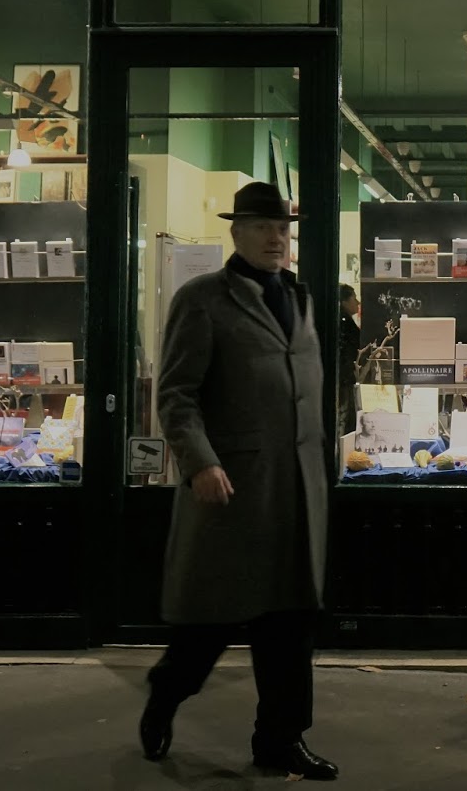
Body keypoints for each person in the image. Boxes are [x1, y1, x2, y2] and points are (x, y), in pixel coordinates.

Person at [139, 182, 338, 782]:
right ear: (237, 232)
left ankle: (280, 740)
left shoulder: (299, 300)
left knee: (290, 624)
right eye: (261, 227)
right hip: (233, 489)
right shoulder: (203, 299)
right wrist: (199, 462)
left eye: (282, 228)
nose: (275, 238)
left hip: (298, 490)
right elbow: (176, 394)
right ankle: (166, 693)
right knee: (212, 623)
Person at [337, 284, 360, 438]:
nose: (357, 302)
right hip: (344, 378)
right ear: (344, 301)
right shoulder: (343, 323)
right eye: (354, 298)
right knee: (342, 415)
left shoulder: (343, 322)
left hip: (345, 377)